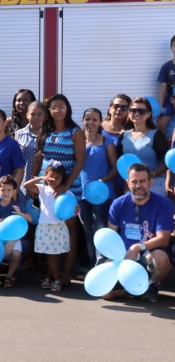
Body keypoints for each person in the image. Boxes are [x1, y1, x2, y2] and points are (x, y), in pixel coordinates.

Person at [33, 94, 85, 275]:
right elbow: (39, 156)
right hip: (48, 188)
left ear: (67, 109)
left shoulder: (75, 132)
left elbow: (80, 161)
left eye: (61, 106)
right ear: (49, 110)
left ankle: (67, 271)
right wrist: (34, 179)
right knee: (51, 227)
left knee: (69, 228)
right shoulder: (44, 130)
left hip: (69, 187)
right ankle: (52, 273)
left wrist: (66, 185)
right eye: (54, 107)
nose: (58, 110)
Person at [107, 163, 173, 303]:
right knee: (106, 294)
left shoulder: (163, 204)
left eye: (143, 181)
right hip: (125, 257)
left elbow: (163, 239)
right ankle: (131, 288)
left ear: (151, 181)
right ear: (128, 183)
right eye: (134, 181)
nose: (138, 186)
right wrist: (109, 260)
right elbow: (110, 235)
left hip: (148, 255)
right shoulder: (118, 204)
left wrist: (138, 247)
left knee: (161, 259)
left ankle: (152, 284)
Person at [24, 163, 73, 292]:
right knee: (50, 255)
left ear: (62, 178)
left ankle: (52, 278)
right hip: (45, 227)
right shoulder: (43, 189)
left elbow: (73, 208)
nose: (54, 181)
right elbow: (26, 186)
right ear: (46, 176)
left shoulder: (66, 192)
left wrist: (76, 209)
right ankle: (53, 279)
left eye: (57, 178)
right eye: (51, 177)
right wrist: (41, 178)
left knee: (54, 255)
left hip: (58, 228)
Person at [79, 108, 117, 270]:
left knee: (100, 230)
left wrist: (101, 182)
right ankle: (91, 265)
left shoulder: (107, 142)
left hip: (102, 195)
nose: (91, 122)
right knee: (87, 231)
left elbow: (115, 168)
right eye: (87, 119)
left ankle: (102, 266)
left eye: (95, 119)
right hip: (81, 194)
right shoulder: (77, 142)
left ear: (101, 122)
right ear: (83, 121)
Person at [116, 97, 168, 195]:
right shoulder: (123, 136)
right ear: (129, 113)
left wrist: (150, 175)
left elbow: (166, 163)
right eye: (133, 110)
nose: (137, 114)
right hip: (132, 187)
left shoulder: (156, 135)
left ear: (149, 114)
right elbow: (123, 165)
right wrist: (126, 188)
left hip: (153, 185)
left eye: (142, 111)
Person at [156, 35, 175, 113]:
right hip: (170, 99)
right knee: (164, 119)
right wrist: (160, 106)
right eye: (174, 45)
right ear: (171, 48)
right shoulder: (166, 67)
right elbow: (163, 88)